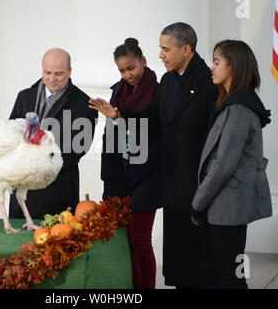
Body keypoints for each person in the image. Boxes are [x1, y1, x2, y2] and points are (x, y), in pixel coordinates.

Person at [89, 22, 219, 288]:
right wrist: (119, 115)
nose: (161, 54)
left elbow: (213, 133)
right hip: (172, 181)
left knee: (195, 252)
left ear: (186, 49)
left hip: (194, 180)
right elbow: (151, 116)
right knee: (177, 254)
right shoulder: (170, 80)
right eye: (160, 48)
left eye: (165, 48)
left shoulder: (208, 82)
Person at [190, 40, 272, 289]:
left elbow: (223, 164)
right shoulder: (234, 103)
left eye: (216, 62)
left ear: (233, 67)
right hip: (226, 207)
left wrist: (198, 202)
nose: (211, 68)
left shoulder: (238, 108)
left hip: (228, 208)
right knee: (228, 275)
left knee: (229, 278)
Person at [101, 38, 162, 289]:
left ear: (143, 62)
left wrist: (120, 116)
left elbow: (154, 132)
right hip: (120, 176)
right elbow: (110, 135)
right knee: (123, 240)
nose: (127, 75)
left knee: (140, 240)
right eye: (122, 71)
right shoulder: (117, 91)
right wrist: (111, 178)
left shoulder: (159, 92)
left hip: (146, 176)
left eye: (131, 68)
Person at [9, 48, 98, 219]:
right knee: (17, 244)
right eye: (47, 72)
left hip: (57, 193)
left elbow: (75, 151)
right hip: (21, 191)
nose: (52, 79)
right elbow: (12, 132)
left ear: (70, 72)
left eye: (59, 74)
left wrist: (37, 167)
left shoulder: (85, 105)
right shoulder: (24, 96)